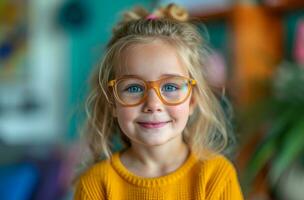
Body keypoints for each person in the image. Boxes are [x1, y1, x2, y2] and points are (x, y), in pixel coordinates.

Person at [74, 3, 244, 200]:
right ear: (113, 102)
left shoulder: (215, 175)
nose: (153, 104)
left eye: (170, 87)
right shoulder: (96, 183)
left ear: (192, 100)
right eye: (134, 88)